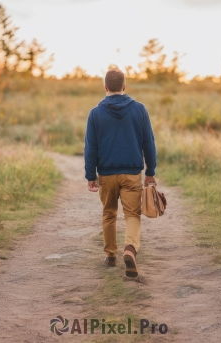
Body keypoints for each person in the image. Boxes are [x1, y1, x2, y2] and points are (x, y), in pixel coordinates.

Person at [84, 69, 157, 278]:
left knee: (109, 213)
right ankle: (130, 249)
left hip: (106, 175)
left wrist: (91, 176)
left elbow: (91, 148)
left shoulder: (95, 113)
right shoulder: (139, 110)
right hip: (132, 173)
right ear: (124, 87)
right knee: (132, 214)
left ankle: (110, 256)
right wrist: (150, 171)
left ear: (105, 87)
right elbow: (148, 143)